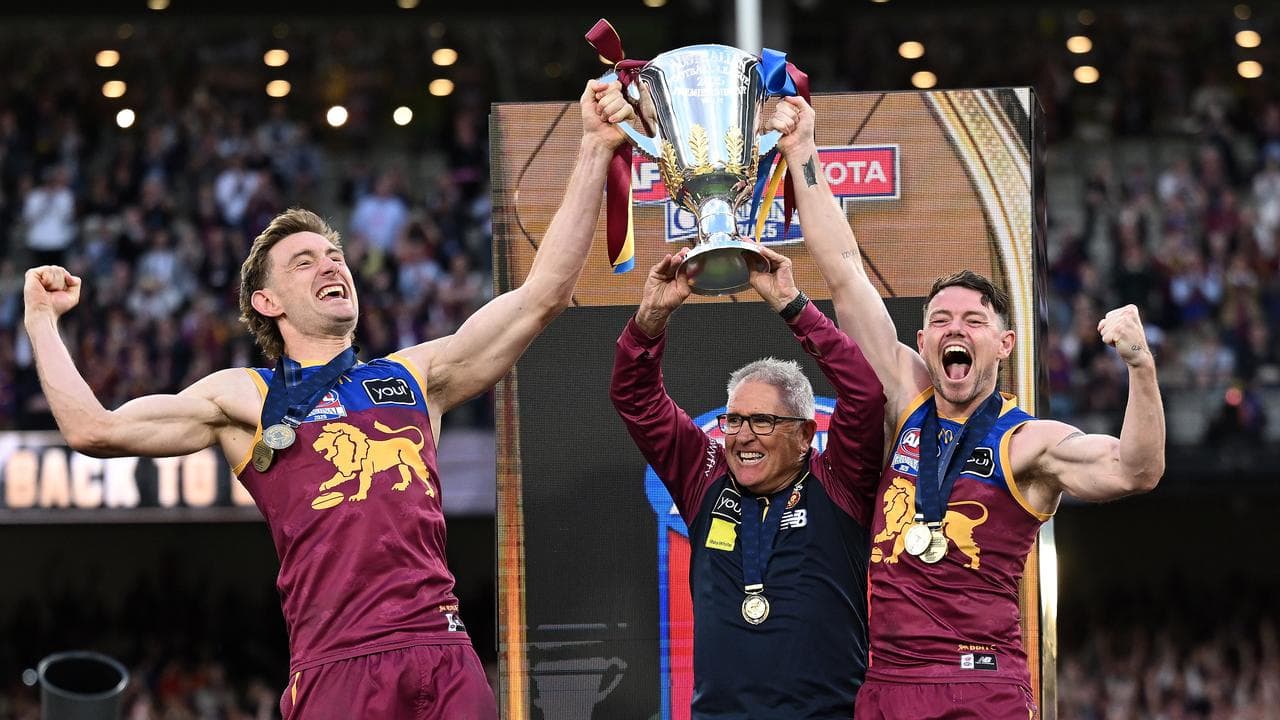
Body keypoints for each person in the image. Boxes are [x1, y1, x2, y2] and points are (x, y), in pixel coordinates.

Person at [22, 79, 631, 720]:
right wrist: (41, 319)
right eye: (305, 262)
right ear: (268, 302)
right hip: (336, 668)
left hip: (443, 653)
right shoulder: (245, 397)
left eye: (335, 255)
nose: (331, 265)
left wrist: (593, 148)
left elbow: (543, 296)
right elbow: (92, 429)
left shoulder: (416, 376)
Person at [766, 95, 1166, 718]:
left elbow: (1136, 470)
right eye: (940, 320)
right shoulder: (908, 398)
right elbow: (846, 271)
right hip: (886, 682)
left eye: (974, 320)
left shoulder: (1026, 442)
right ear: (923, 341)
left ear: (1003, 343)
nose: (956, 327)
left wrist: (1141, 368)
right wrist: (802, 151)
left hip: (979, 683)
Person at [610, 243, 885, 718]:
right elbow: (636, 397)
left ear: (804, 434)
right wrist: (651, 318)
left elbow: (862, 394)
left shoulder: (839, 483)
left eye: (761, 422)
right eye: (734, 421)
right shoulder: (704, 477)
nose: (741, 436)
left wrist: (793, 306)